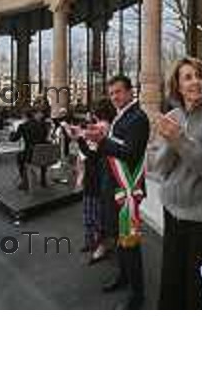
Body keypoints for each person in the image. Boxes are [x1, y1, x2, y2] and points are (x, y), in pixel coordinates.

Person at [152, 57, 202, 309]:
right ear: (177, 85)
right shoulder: (171, 116)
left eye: (199, 76)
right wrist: (169, 140)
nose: (195, 81)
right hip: (173, 213)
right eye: (187, 77)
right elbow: (159, 167)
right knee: (173, 282)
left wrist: (180, 140)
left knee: (199, 290)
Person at [84, 75, 150, 310]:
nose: (114, 97)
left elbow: (130, 152)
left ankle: (137, 294)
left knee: (130, 244)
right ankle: (123, 278)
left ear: (131, 91)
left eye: (119, 92)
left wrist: (102, 140)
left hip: (126, 190)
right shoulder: (121, 117)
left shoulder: (138, 118)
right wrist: (90, 139)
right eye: (111, 93)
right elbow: (109, 150)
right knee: (120, 241)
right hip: (112, 187)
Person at [66, 98, 116, 263]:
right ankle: (94, 242)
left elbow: (92, 154)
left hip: (97, 175)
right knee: (93, 211)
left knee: (95, 213)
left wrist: (78, 138)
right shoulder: (106, 125)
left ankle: (100, 245)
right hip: (96, 174)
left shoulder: (103, 127)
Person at [9, 108, 51, 191]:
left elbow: (14, 139)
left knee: (20, 157)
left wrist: (12, 132)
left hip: (30, 155)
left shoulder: (23, 126)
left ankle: (25, 181)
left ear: (25, 116)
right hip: (44, 153)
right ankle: (43, 179)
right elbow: (45, 139)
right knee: (41, 155)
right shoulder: (44, 125)